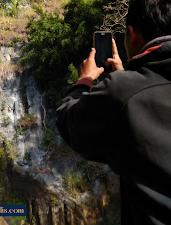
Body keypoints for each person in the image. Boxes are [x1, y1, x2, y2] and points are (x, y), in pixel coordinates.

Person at [56, 0, 171, 224]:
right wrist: (125, 77)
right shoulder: (126, 90)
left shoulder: (123, 93)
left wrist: (84, 80)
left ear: (132, 35)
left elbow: (68, 121)